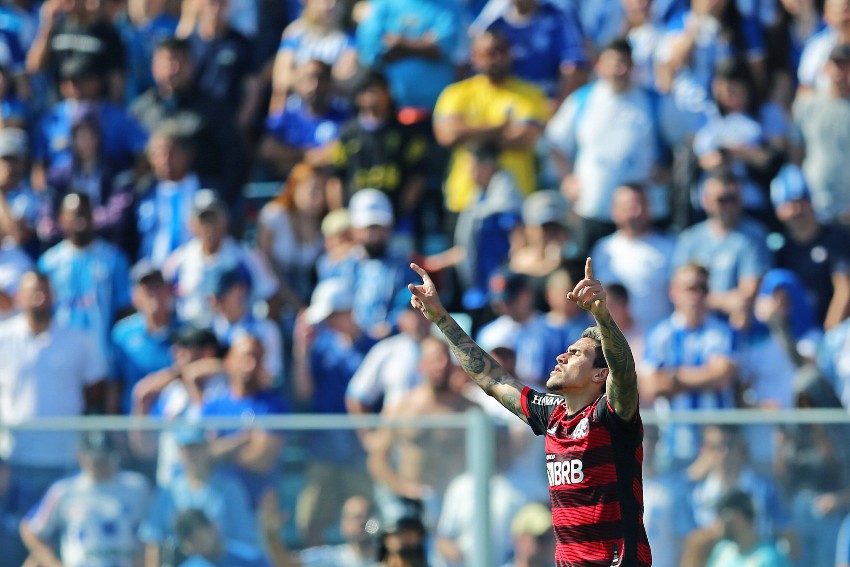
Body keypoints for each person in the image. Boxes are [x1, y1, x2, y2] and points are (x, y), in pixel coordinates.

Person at [407, 257, 652, 566]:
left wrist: (602, 317)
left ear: (599, 375)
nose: (563, 356)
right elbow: (493, 379)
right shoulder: (552, 414)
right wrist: (441, 318)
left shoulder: (612, 416)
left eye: (576, 354)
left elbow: (625, 372)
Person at [0, 271, 107, 512]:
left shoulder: (77, 340)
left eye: (44, 291)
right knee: (15, 537)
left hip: (65, 459)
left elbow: (95, 388)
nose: (39, 298)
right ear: (19, 297)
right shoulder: (3, 338)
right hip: (16, 458)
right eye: (32, 292)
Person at [433, 29, 549, 214]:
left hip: (515, 200)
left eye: (500, 50)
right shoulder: (455, 93)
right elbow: (448, 135)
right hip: (464, 199)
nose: (494, 57)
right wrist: (501, 127)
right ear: (474, 56)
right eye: (487, 52)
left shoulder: (530, 94)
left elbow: (524, 138)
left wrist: (469, 130)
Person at [19, 431, 151, 567]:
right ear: (81, 456)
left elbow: (153, 531)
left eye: (105, 458)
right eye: (95, 459)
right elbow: (31, 528)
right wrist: (53, 563)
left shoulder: (137, 487)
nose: (100, 464)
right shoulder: (64, 490)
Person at [38, 192, 132, 369]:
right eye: (74, 214)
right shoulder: (49, 263)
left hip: (103, 358)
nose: (80, 219)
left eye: (84, 212)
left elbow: (124, 310)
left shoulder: (113, 258)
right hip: (61, 359)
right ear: (62, 219)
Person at [139, 427, 257, 567]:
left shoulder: (229, 489)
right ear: (179, 452)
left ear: (207, 448)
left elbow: (243, 537)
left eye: (197, 448)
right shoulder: (168, 492)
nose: (193, 454)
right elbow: (153, 539)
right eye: (187, 449)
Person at [770, 163, 850, 330]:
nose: (796, 210)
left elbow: (844, 289)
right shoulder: (782, 249)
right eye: (789, 204)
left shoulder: (835, 238)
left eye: (801, 201)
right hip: (802, 335)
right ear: (779, 211)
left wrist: (829, 334)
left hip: (839, 331)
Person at [590, 183, 675, 333]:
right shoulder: (602, 250)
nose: (636, 211)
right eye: (628, 206)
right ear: (614, 210)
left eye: (641, 204)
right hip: (614, 342)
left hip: (657, 340)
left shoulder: (670, 248)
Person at [792, 42, 850, 227]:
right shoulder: (807, 105)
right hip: (815, 207)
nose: (842, 72)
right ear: (825, 68)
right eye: (837, 65)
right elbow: (796, 151)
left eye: (847, 66)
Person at [109, 261, 176, 415]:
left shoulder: (185, 332)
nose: (154, 294)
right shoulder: (122, 334)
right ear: (135, 296)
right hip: (134, 424)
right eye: (148, 289)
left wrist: (166, 377)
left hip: (174, 425)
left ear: (168, 291)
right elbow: (114, 383)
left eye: (158, 287)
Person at [704, 490, 793, 567]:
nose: (715, 525)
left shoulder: (768, 559)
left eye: (721, 517)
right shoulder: (721, 551)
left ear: (736, 518)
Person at [173, 508, 271, 567]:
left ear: (214, 527)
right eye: (191, 542)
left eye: (199, 538)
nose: (197, 545)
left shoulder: (252, 559)